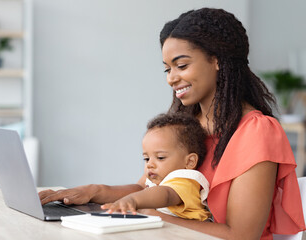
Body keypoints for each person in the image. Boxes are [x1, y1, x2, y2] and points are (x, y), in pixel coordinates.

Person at [39, 8, 306, 239]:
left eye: (181, 65)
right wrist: (93, 192)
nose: (171, 78)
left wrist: (152, 217)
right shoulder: (186, 127)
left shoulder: (256, 132)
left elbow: (241, 235)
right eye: (168, 69)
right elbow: (149, 189)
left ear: (217, 61)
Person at [102, 112, 211, 221]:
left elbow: (166, 194)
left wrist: (133, 200)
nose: (150, 164)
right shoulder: (159, 180)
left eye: (160, 157)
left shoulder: (184, 180)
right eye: (146, 158)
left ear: (189, 162)